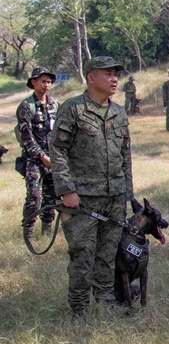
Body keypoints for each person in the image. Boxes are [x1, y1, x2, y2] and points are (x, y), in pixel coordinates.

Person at [49, 56, 133, 321]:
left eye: (115, 74)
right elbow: (58, 150)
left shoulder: (119, 111)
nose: (113, 79)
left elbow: (125, 154)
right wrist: (66, 189)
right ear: (91, 78)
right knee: (83, 254)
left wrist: (127, 194)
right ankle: (80, 309)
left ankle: (105, 301)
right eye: (107, 74)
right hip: (82, 199)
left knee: (108, 254)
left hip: (114, 196)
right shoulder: (73, 109)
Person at [16, 67, 59, 240]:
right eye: (43, 81)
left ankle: (47, 230)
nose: (46, 85)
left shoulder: (55, 105)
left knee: (52, 196)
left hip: (53, 158)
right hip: (34, 160)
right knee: (34, 195)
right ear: (33, 82)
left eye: (49, 82)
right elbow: (26, 137)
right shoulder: (26, 106)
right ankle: (29, 233)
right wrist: (42, 157)